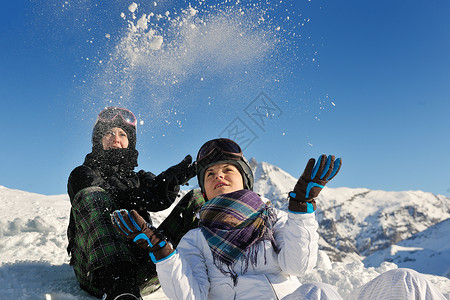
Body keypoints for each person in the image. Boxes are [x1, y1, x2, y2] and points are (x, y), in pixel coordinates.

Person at [112, 138, 446, 299]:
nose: (219, 176)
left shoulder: (273, 220)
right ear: (203, 189)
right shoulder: (195, 239)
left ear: (245, 179)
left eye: (228, 169)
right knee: (318, 294)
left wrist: (301, 207)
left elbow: (299, 265)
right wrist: (163, 254)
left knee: (405, 281)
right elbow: (191, 296)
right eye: (210, 173)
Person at [67, 107, 196, 300]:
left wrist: (168, 182)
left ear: (130, 142)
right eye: (108, 133)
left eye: (122, 134)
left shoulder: (141, 179)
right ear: (99, 140)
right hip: (96, 271)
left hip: (143, 270)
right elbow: (103, 192)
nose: (115, 137)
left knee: (198, 199)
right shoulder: (82, 173)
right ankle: (120, 286)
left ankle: (223, 274)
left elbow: (156, 200)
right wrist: (139, 195)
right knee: (94, 195)